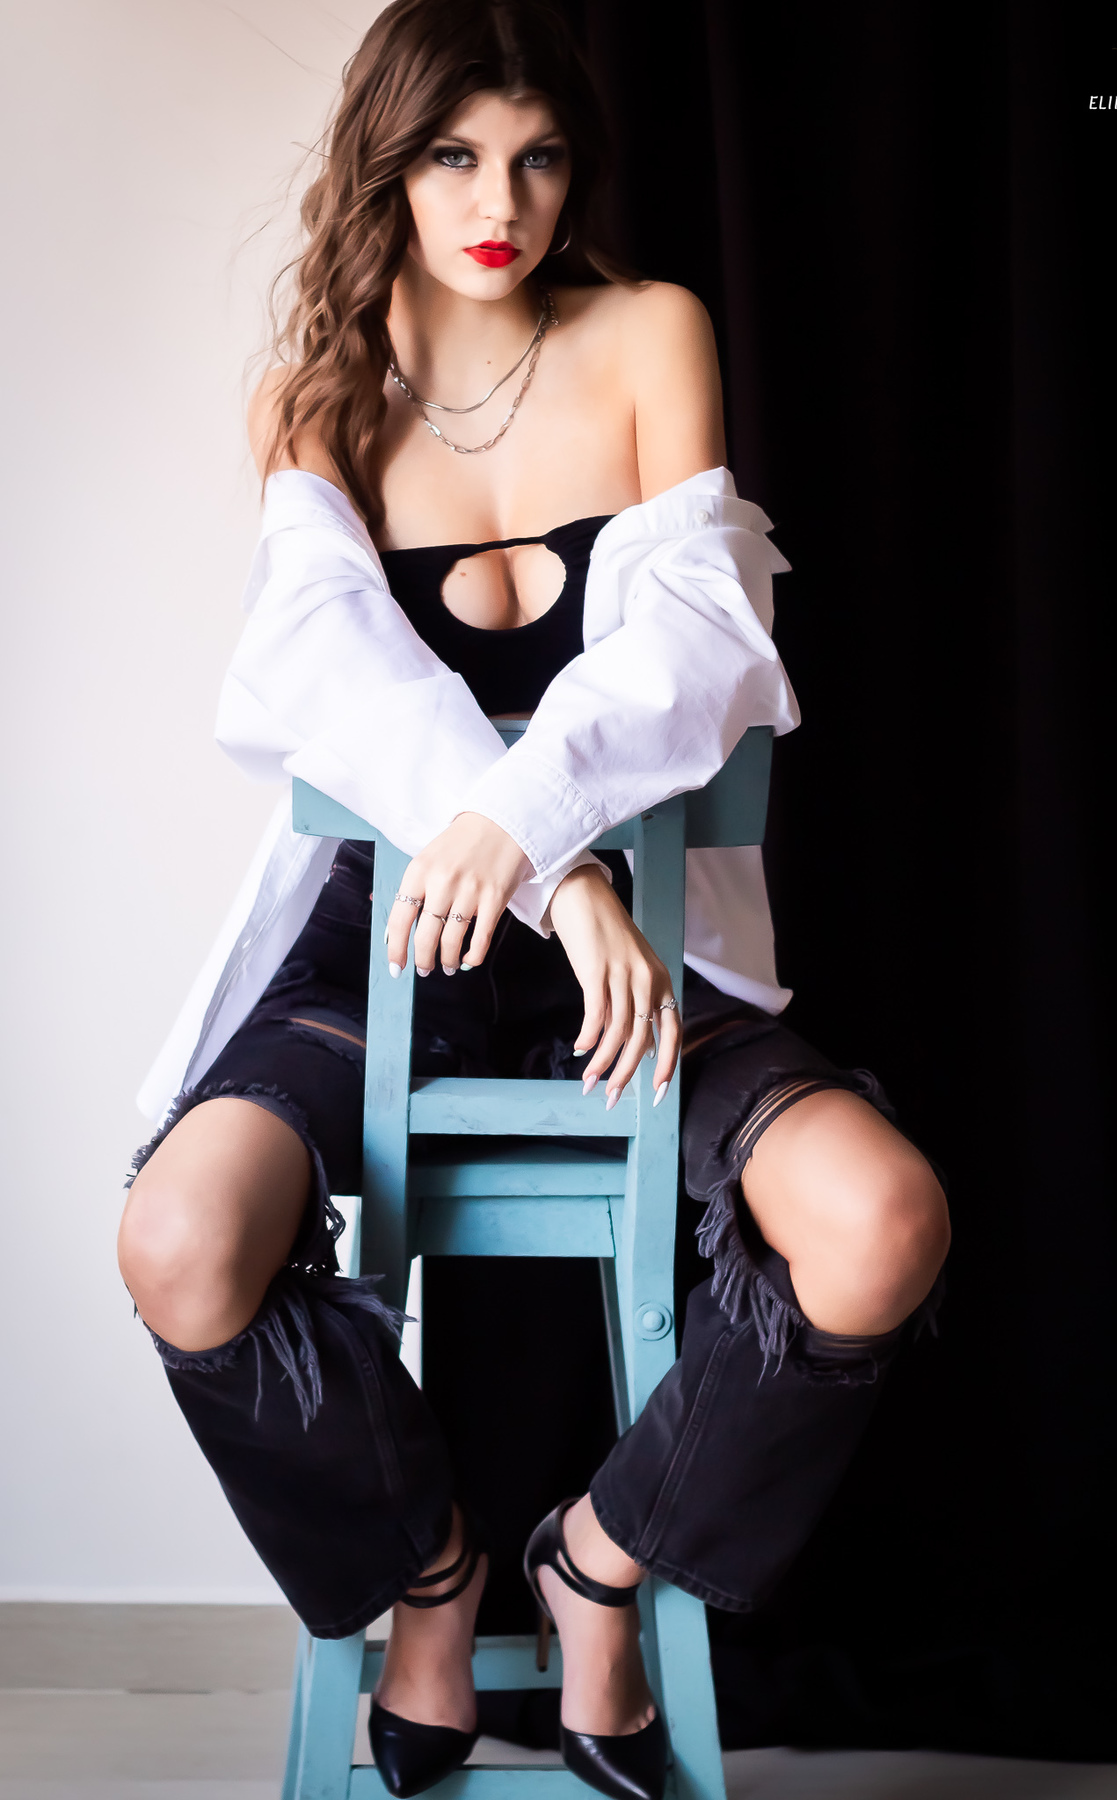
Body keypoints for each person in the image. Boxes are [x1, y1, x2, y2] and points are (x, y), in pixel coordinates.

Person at [119, 4, 950, 1796]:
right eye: (454, 156)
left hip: (643, 952)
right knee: (180, 1243)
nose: (500, 204)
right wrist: (548, 873)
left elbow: (702, 643)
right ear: (388, 162)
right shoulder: (318, 395)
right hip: (391, 944)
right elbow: (324, 673)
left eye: (538, 156)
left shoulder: (649, 332)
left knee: (883, 1222)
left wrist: (547, 846)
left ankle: (600, 1561)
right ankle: (431, 1571)